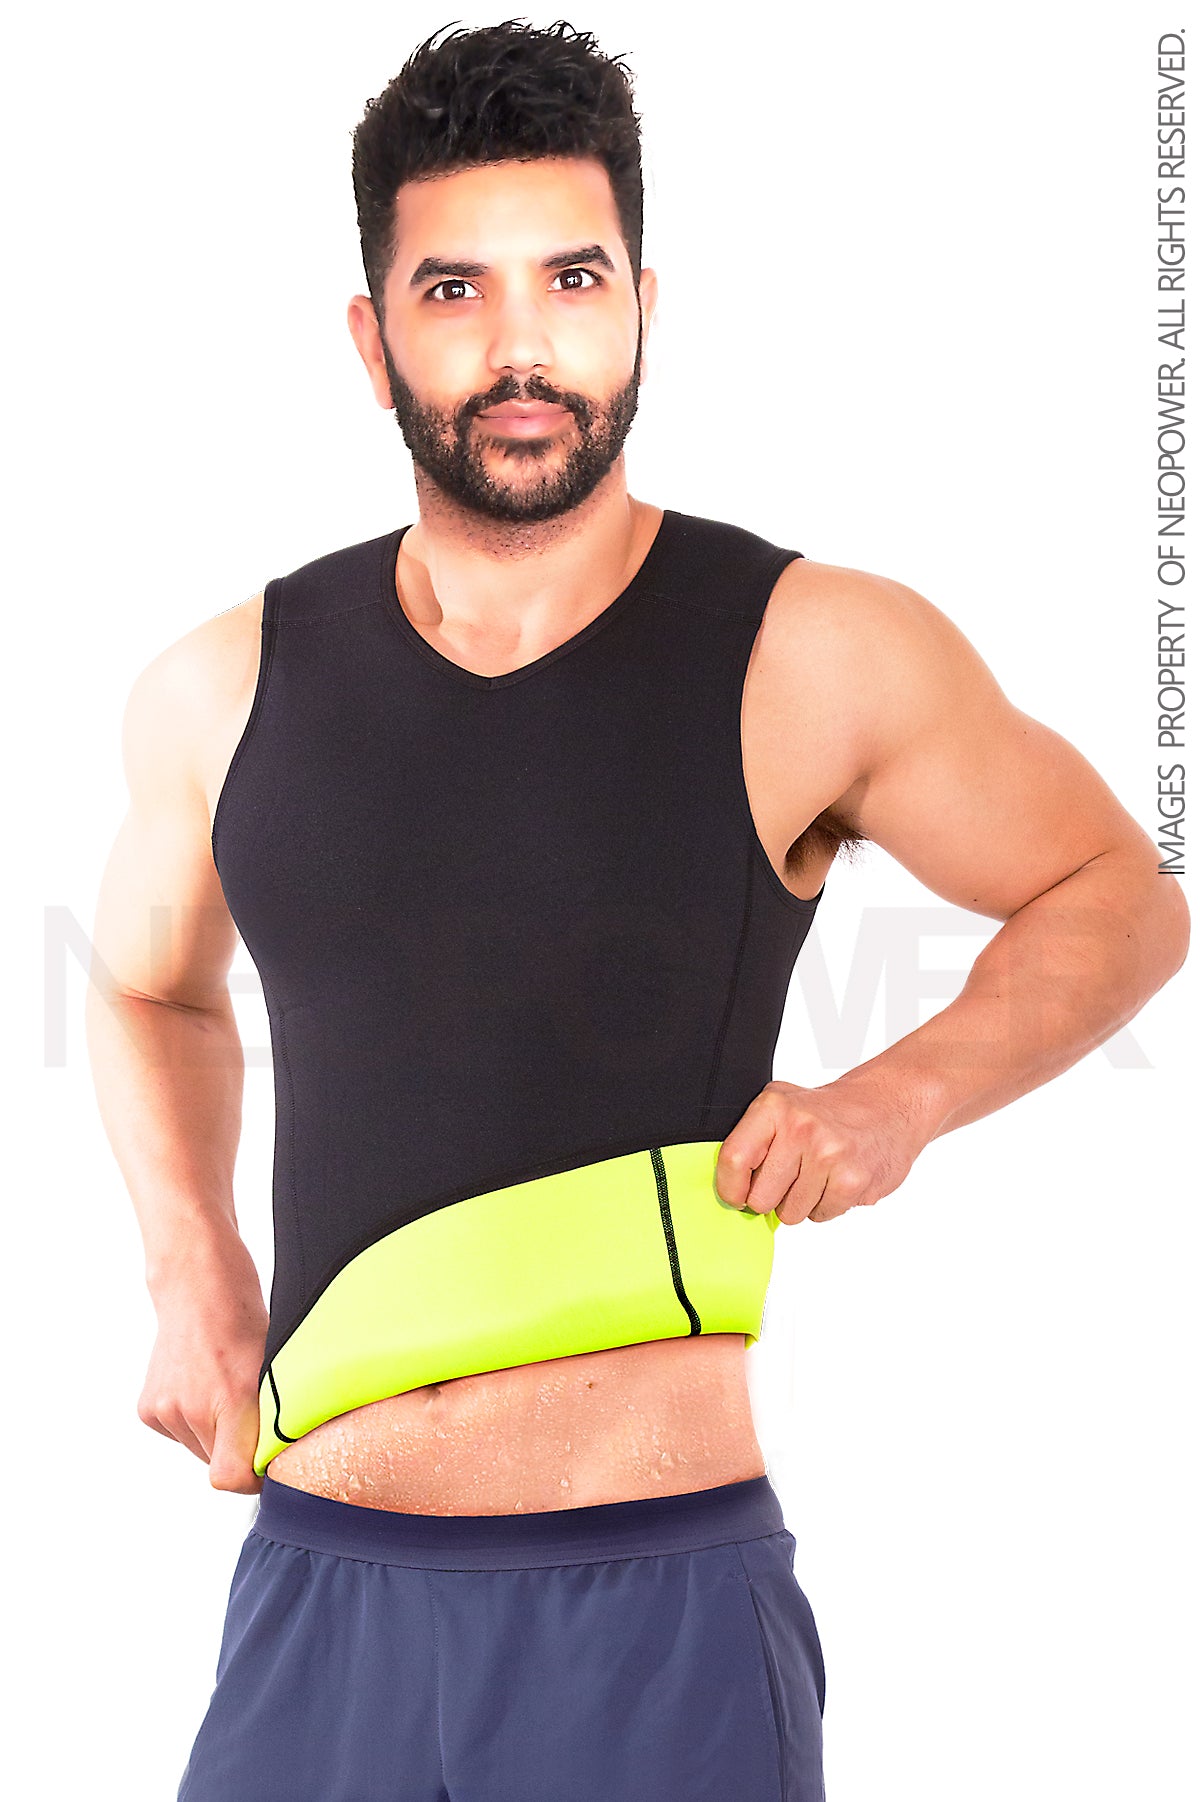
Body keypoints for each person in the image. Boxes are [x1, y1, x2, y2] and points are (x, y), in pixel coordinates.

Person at [85, 19, 1189, 1802]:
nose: (520, 344)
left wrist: (892, 1099)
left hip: (650, 1613)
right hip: (315, 1593)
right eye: (455, 288)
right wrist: (188, 1262)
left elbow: (1119, 893)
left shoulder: (812, 651)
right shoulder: (225, 687)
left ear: (644, 308)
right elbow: (148, 988)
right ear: (372, 339)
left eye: (573, 278)